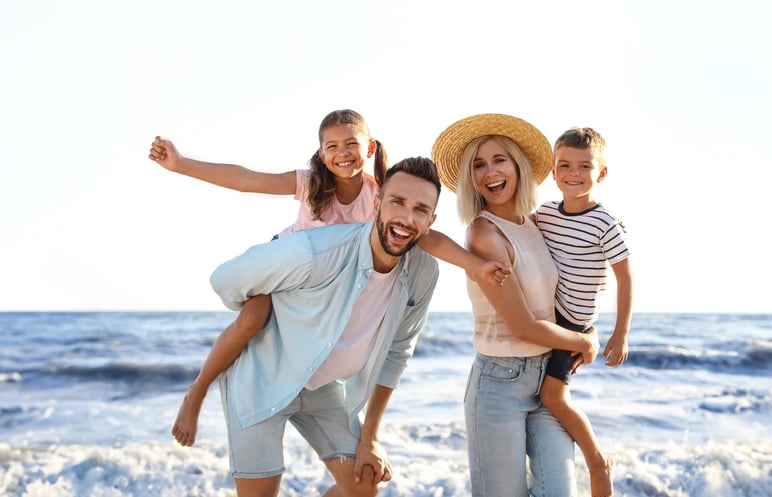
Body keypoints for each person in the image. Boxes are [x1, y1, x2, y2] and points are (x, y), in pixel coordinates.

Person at [149, 109, 508, 447]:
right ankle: (197, 392)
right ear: (321, 154)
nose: (343, 153)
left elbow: (427, 236)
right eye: (332, 146)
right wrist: (180, 164)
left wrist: (475, 266)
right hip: (290, 268)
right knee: (252, 320)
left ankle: (325, 409)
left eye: (351, 144)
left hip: (330, 284)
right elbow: (246, 180)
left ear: (369, 148)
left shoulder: (380, 193)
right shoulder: (310, 183)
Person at [208, 156, 442, 496]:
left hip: (325, 388)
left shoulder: (423, 272)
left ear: (431, 220)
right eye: (398, 202)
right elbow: (225, 279)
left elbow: (397, 353)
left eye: (420, 209)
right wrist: (262, 307)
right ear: (377, 202)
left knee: (363, 485)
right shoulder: (314, 251)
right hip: (262, 377)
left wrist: (371, 438)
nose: (407, 218)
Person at [431, 113, 600, 497]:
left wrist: (589, 328)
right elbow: (524, 326)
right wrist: (584, 344)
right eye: (478, 164)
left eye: (498, 159)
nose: (490, 172)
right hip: (498, 385)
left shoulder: (538, 224)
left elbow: (571, 292)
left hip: (546, 380)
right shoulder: (483, 233)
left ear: (518, 165)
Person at [535, 127, 633, 497]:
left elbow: (625, 277)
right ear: (553, 172)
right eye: (565, 166)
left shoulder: (604, 222)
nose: (573, 174)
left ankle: (596, 460)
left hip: (574, 321)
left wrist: (620, 332)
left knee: (553, 397)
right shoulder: (545, 213)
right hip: (547, 314)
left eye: (584, 166)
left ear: (601, 173)